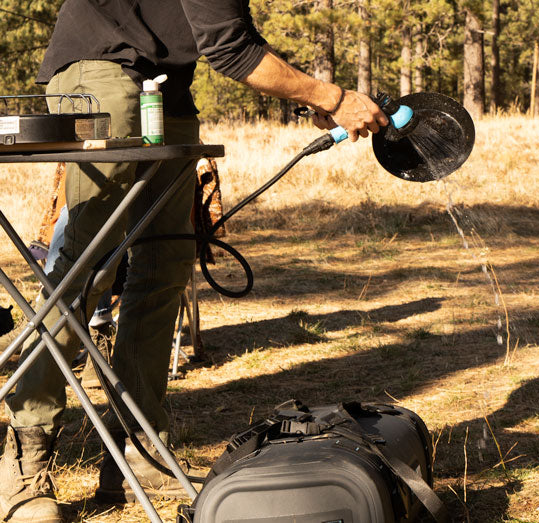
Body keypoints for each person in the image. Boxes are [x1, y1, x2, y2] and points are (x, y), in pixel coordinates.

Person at [0, 1, 389, 521]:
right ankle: (25, 462)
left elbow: (229, 33)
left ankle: (138, 452)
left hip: (165, 86)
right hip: (100, 69)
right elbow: (231, 50)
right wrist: (334, 97)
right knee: (86, 267)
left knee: (165, 268)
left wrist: (309, 99)